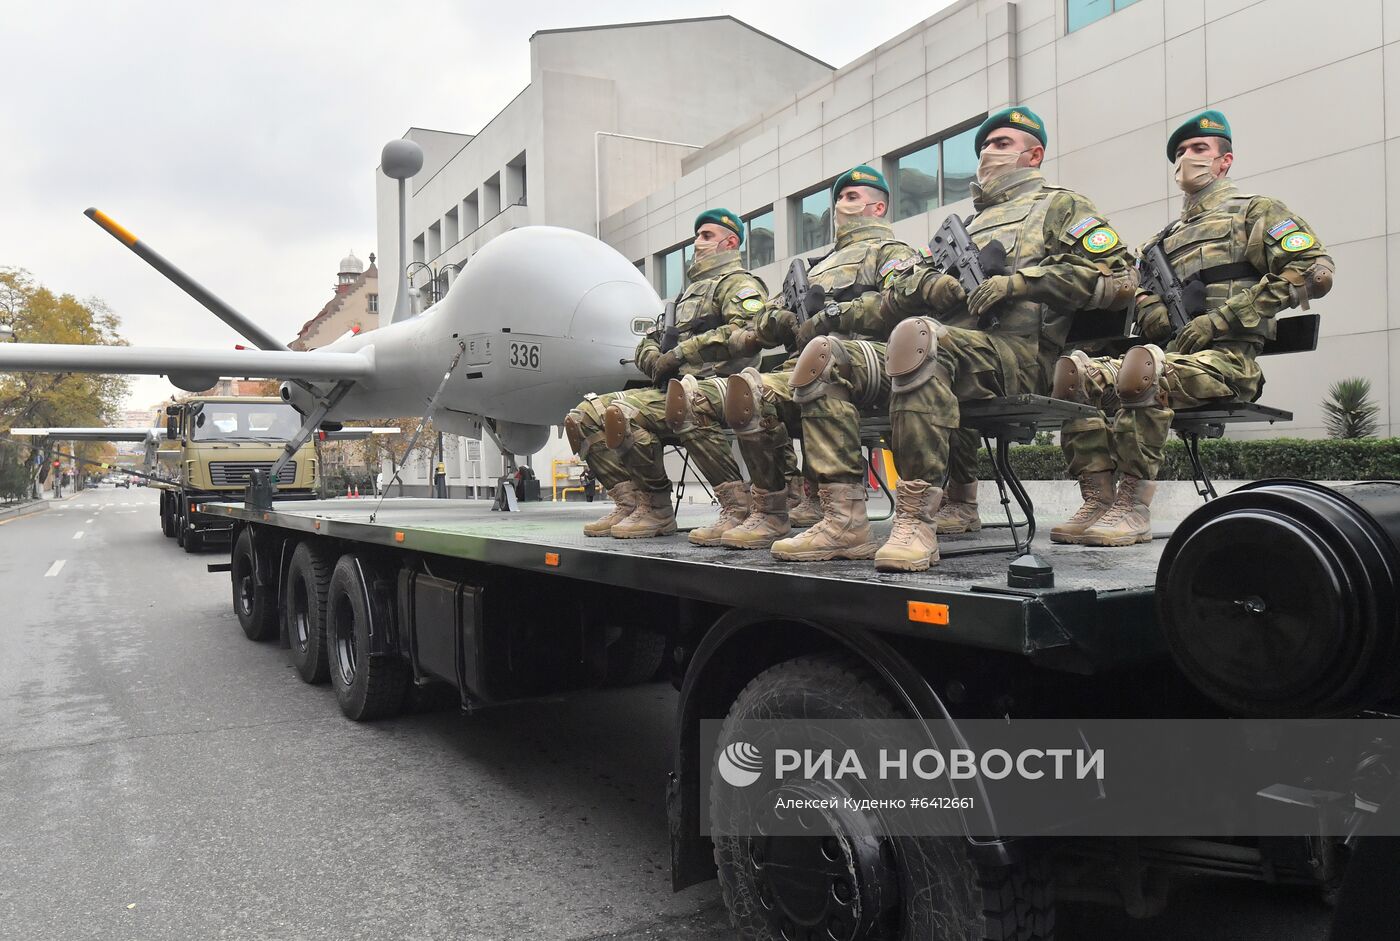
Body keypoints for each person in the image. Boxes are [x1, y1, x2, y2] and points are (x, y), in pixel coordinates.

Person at [869, 106, 1137, 571]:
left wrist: (1021, 282)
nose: (988, 154)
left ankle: (915, 521)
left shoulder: (1060, 206)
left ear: (1034, 155)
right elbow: (900, 290)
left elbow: (1120, 280)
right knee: (829, 359)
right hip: (951, 349)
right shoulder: (965, 228)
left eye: (1002, 144)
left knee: (921, 341)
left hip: (1019, 358)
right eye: (984, 147)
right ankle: (840, 517)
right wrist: (932, 285)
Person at [1051, 110, 1334, 546]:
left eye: (1199, 149)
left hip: (1229, 363)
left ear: (1225, 161)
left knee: (1142, 370)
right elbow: (1135, 288)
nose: (1187, 158)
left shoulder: (1255, 212)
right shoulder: (1160, 242)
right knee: (1074, 375)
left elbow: (1313, 270)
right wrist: (1148, 308)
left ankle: (1133, 506)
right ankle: (1098, 498)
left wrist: (1224, 318)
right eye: (1180, 152)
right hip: (1170, 358)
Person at [565, 209, 802, 542]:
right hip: (673, 390)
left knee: (685, 400)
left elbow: (746, 331)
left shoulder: (738, 283)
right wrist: (653, 358)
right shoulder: (686, 296)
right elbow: (651, 339)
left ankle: (737, 507)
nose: (697, 242)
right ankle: (642, 505)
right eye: (697, 236)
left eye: (706, 236)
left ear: (730, 242)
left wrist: (681, 353)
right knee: (586, 416)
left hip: (718, 389)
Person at [723, 165, 920, 553]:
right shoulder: (816, 267)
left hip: (874, 364)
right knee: (749, 390)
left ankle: (846, 521)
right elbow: (761, 321)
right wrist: (777, 319)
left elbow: (902, 303)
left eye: (852, 197)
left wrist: (831, 312)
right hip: (810, 367)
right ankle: (772, 508)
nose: (841, 206)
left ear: (878, 208)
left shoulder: (891, 252)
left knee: (821, 362)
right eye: (839, 198)